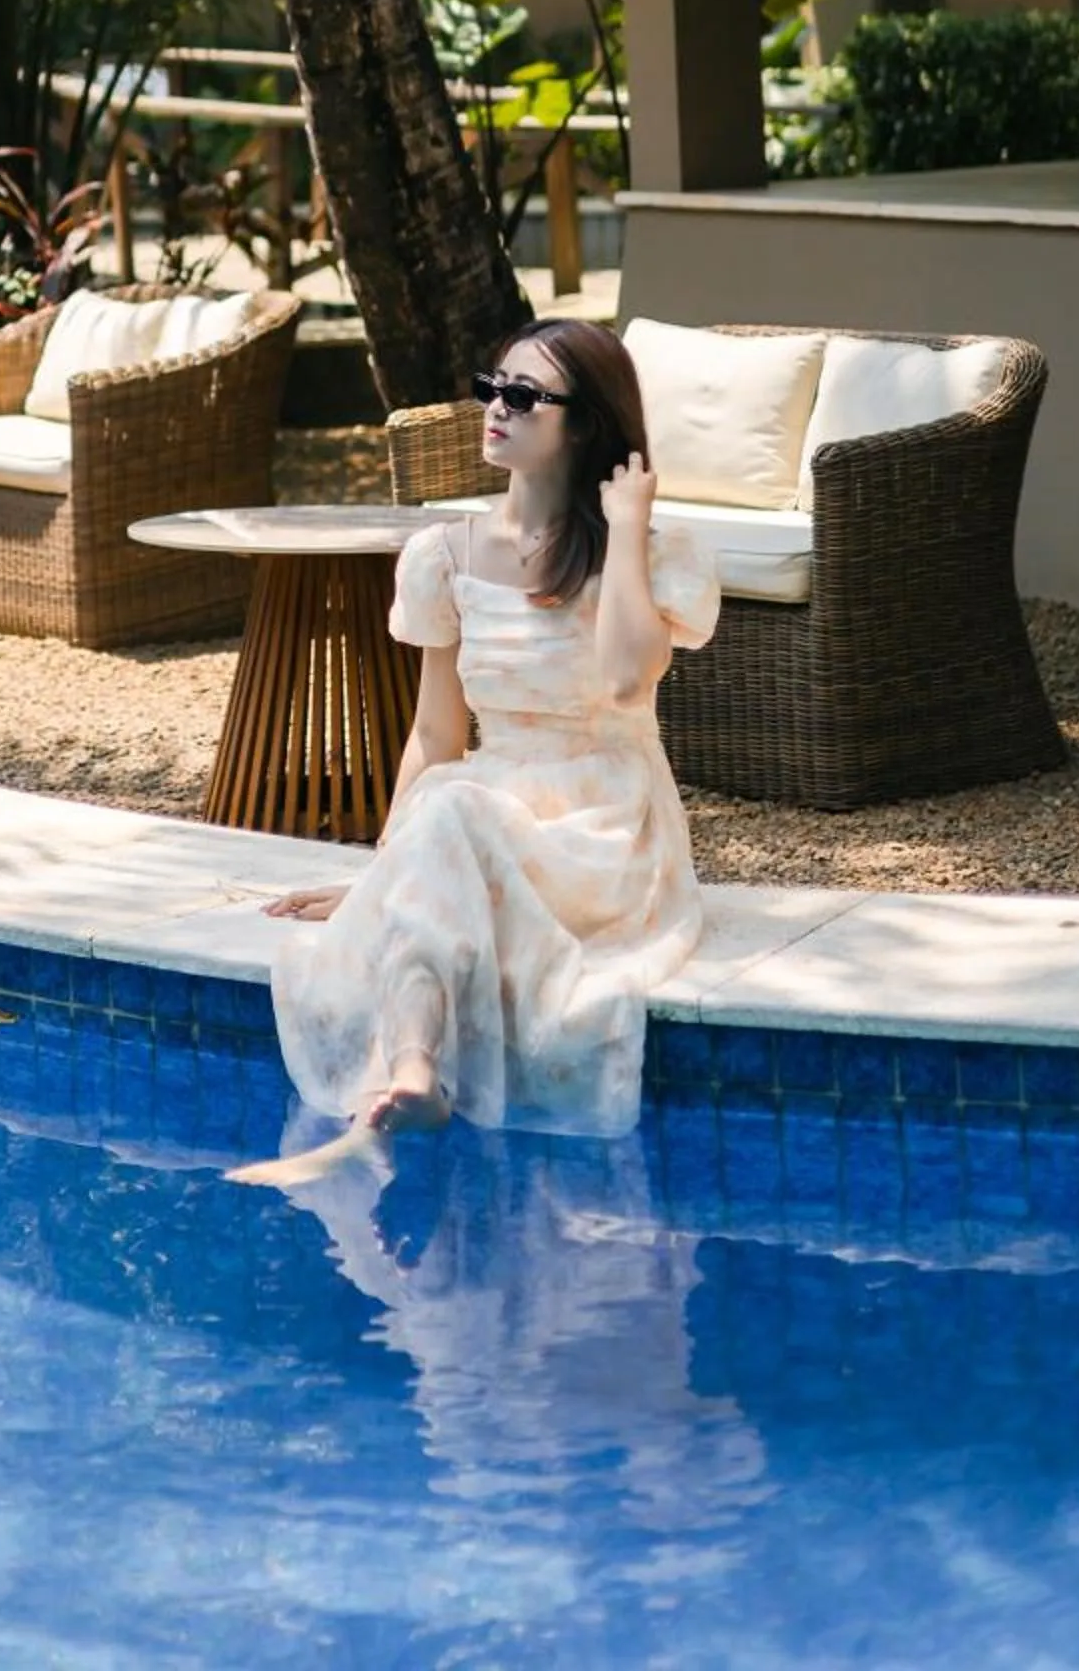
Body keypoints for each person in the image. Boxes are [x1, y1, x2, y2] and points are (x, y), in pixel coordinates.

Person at [240, 319, 719, 1179]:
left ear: (586, 423)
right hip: (485, 805)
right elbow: (436, 735)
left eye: (524, 396)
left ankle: (394, 1093)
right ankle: (411, 1073)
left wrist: (625, 526)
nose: (496, 407)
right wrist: (386, 871)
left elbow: (625, 679)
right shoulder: (445, 555)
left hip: (606, 824)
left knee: (455, 808)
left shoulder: (649, 552)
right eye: (491, 387)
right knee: (449, 804)